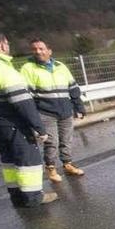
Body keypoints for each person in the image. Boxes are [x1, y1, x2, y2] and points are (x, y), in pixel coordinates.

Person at [0, 29, 56, 207]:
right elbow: (22, 102)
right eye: (7, 43)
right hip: (13, 121)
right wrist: (39, 127)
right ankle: (33, 197)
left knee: (8, 158)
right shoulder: (3, 69)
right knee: (27, 158)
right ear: (2, 45)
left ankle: (16, 195)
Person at [20, 38, 86, 183]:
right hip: (45, 112)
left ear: (49, 51)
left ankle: (68, 165)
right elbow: (26, 95)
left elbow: (73, 87)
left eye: (41, 48)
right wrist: (33, 116)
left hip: (65, 110)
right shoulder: (28, 68)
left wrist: (78, 106)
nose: (38, 51)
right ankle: (51, 169)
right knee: (52, 142)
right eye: (34, 49)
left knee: (66, 140)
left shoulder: (60, 66)